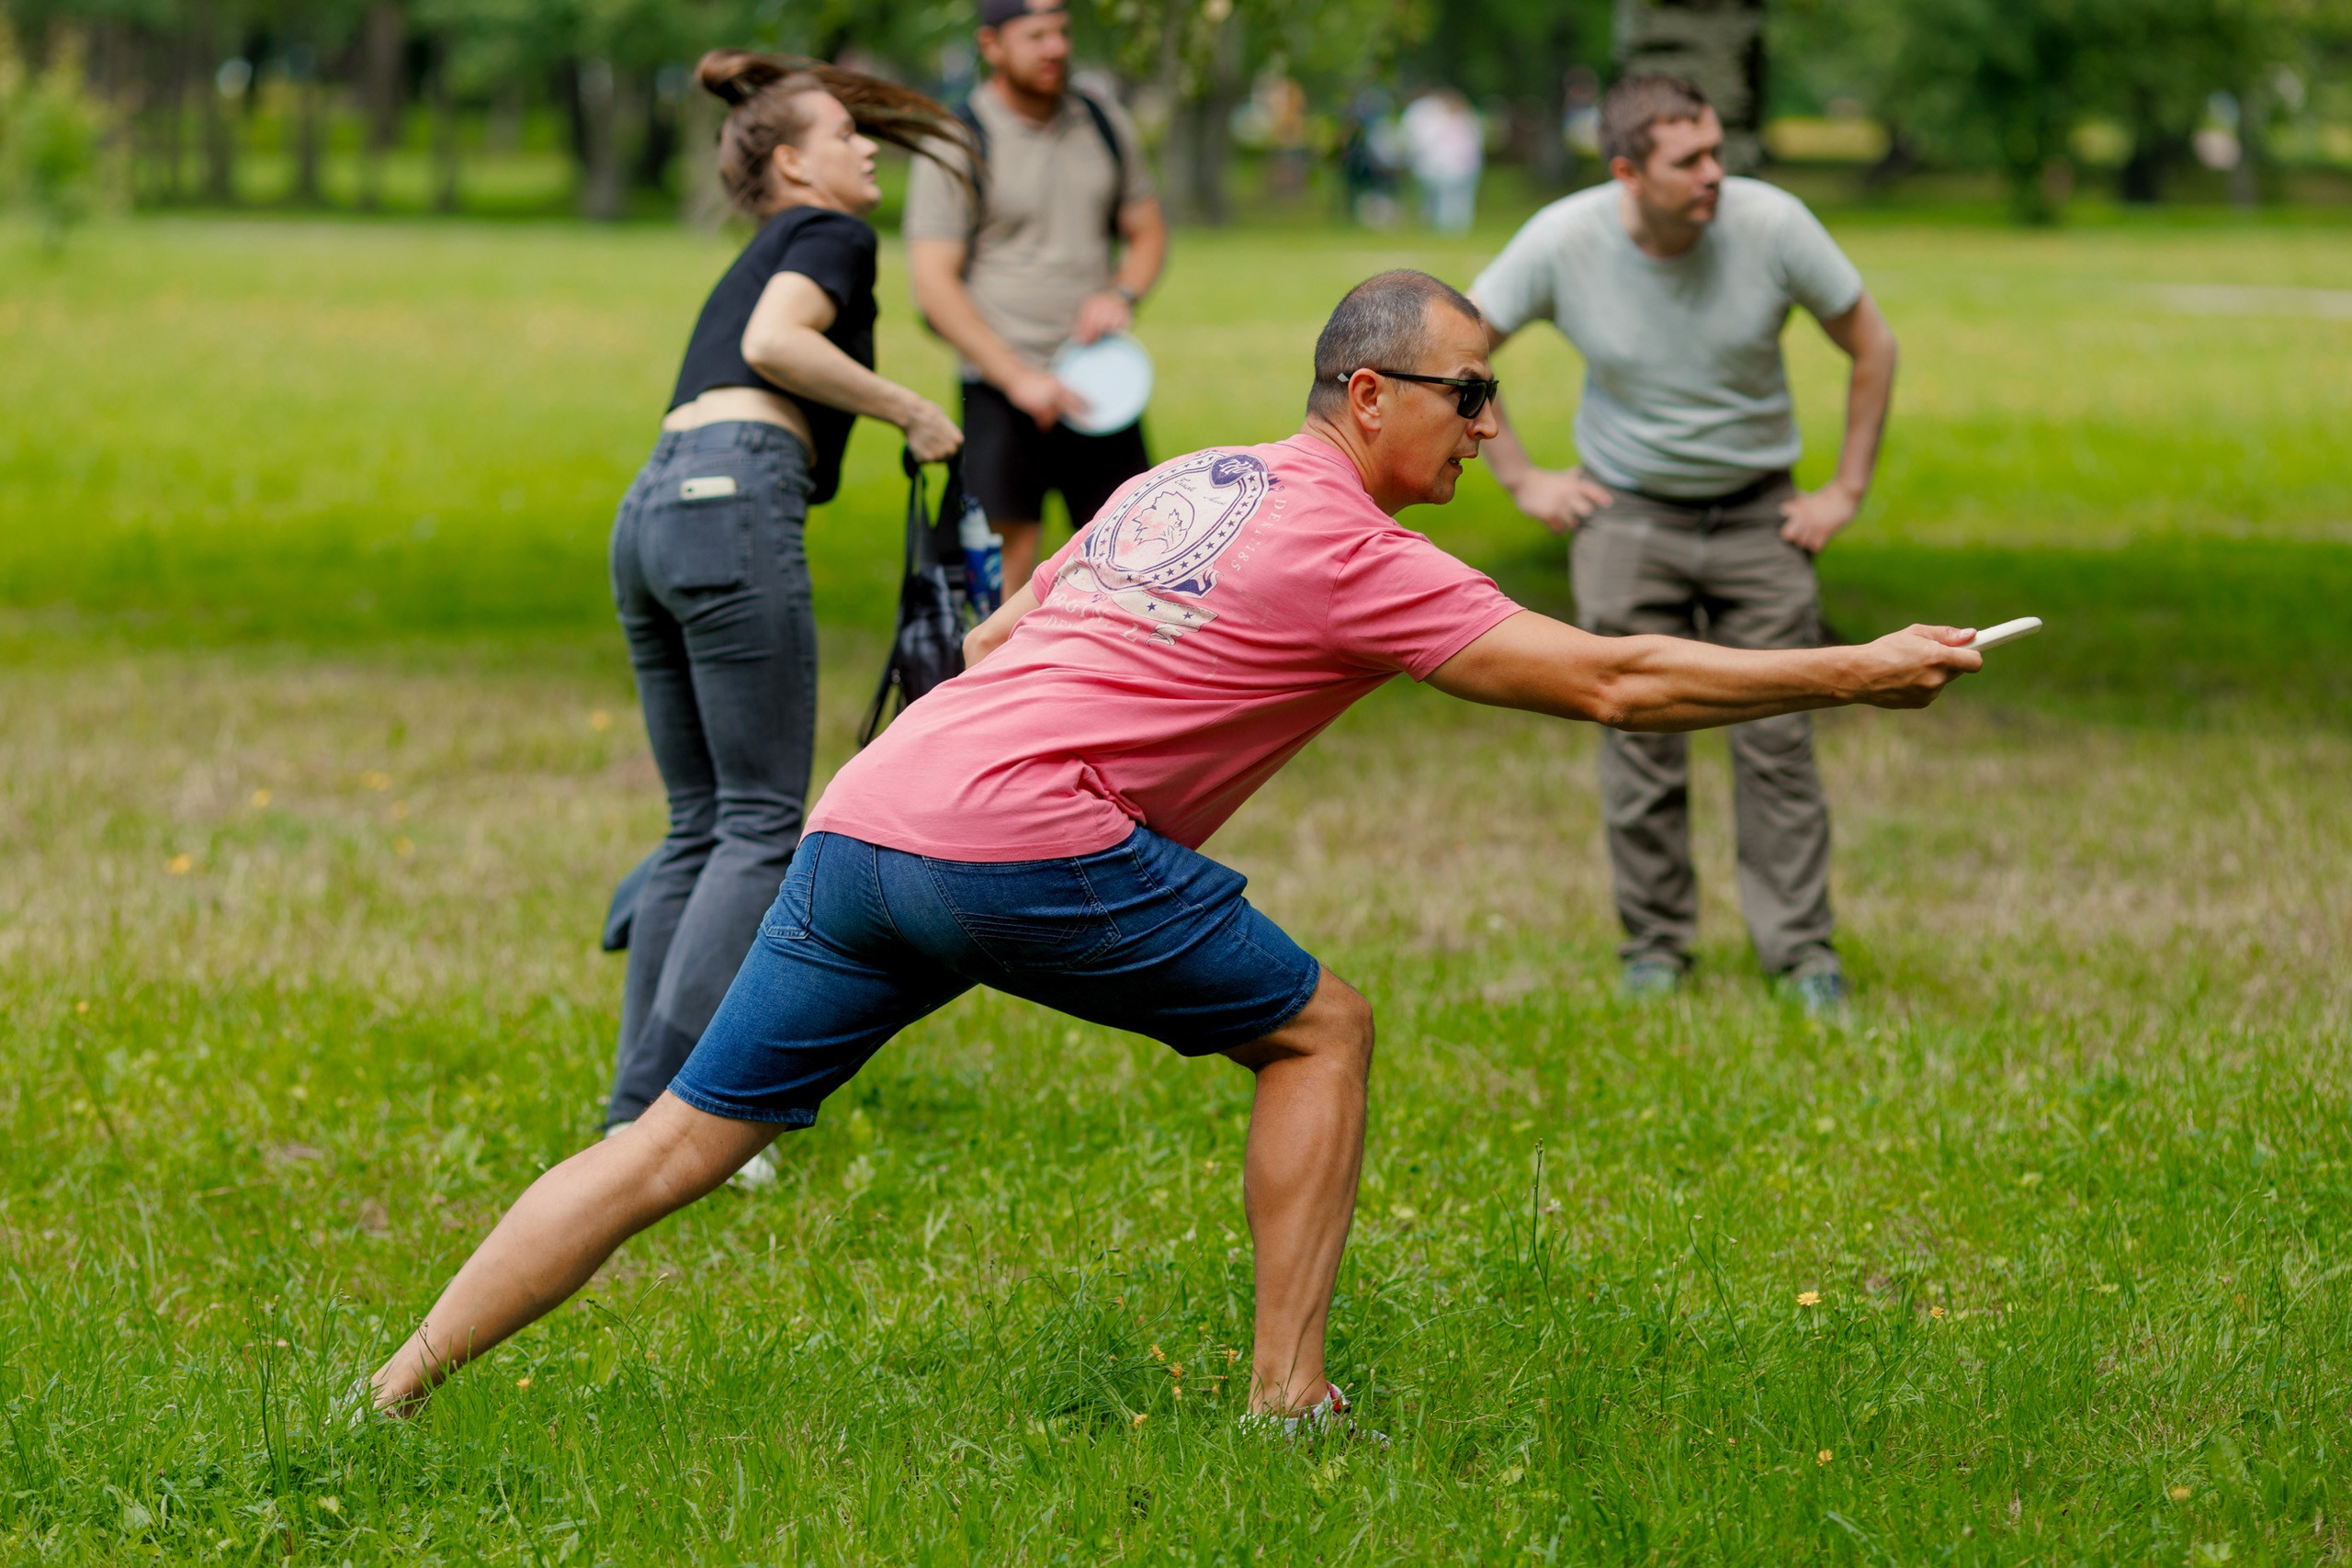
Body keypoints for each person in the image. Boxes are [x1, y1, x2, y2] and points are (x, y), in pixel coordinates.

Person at [368, 271, 1976, 1426]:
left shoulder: (1185, 479)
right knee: (1321, 1025)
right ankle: (1288, 1398)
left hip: (869, 818)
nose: (1491, 427)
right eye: (1470, 394)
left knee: (668, 1146)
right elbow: (1615, 678)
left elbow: (996, 639)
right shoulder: (1356, 543)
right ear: (1370, 395)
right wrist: (1855, 665)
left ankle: (391, 1389)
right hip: (1014, 839)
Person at [599, 52, 967, 1160]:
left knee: (701, 822)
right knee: (759, 824)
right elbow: (775, 346)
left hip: (651, 509)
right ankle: (672, 1124)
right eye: (842, 133)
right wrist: (910, 409)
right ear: (793, 163)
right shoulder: (830, 239)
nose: (864, 148)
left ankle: (630, 1115)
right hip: (732, 499)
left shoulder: (764, 245)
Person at [1469, 74, 1901, 1012]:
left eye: (1716, 150)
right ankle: (1655, 949)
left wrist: (1844, 491)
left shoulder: (1773, 223)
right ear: (1627, 171)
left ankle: (1800, 956)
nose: (1715, 173)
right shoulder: (1563, 238)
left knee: (1779, 736)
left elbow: (1873, 343)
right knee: (1636, 735)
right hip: (1627, 518)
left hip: (1760, 517)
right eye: (1689, 160)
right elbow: (1458, 348)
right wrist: (1525, 478)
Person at [905, 0, 1169, 591]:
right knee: (1001, 576)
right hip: (1003, 387)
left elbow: (1147, 230)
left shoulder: (1101, 120)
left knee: (1130, 560)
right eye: (1035, 35)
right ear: (990, 45)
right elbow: (933, 285)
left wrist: (1121, 291)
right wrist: (1019, 379)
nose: (1055, 47)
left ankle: (1112, 683)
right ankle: (990, 683)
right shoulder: (958, 138)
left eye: (1062, 32)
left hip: (1098, 382)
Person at [1401, 89, 1483, 236]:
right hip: (1451, 166)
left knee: (1451, 199)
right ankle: (1448, 227)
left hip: (1458, 166)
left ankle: (1451, 228)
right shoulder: (1454, 121)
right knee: (1448, 199)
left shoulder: (1461, 121)